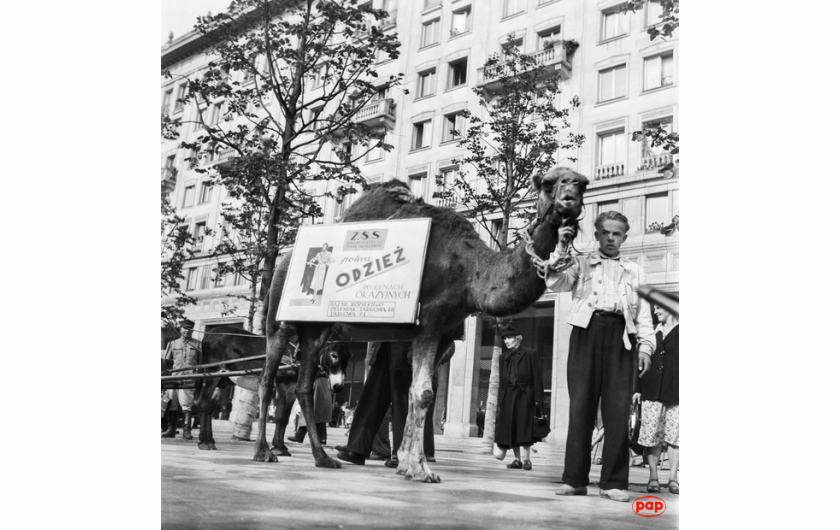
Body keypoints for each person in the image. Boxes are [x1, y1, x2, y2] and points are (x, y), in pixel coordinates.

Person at [546, 210, 654, 502]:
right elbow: (554, 283)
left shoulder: (635, 270)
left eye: (616, 233)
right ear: (596, 235)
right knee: (580, 407)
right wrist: (561, 248)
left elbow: (644, 313)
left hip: (623, 338)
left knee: (618, 411)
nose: (610, 238)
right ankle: (575, 480)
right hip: (586, 333)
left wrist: (645, 347)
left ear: (624, 237)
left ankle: (614, 482)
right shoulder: (580, 263)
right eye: (605, 232)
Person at [633, 304, 679, 495]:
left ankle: (673, 478)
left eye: (659, 307)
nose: (655, 311)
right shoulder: (651, 333)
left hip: (677, 391)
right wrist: (637, 388)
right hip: (651, 389)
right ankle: (653, 477)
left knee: (676, 436)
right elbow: (640, 361)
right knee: (652, 435)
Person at [493, 325, 545, 471]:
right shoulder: (503, 357)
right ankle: (517, 460)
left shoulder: (530, 354)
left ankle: (527, 460)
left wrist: (539, 399)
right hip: (508, 394)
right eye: (504, 339)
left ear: (518, 339)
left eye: (509, 338)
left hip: (525, 394)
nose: (506, 341)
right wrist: (500, 400)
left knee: (525, 427)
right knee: (512, 426)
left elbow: (537, 377)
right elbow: (502, 382)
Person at [161, 320, 201, 440]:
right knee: (171, 404)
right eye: (185, 328)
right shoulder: (172, 344)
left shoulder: (198, 345)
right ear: (180, 329)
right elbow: (166, 362)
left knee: (186, 405)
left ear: (192, 330)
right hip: (174, 377)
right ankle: (171, 429)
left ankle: (186, 431)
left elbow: (200, 363)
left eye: (189, 328)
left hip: (189, 378)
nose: (187, 331)